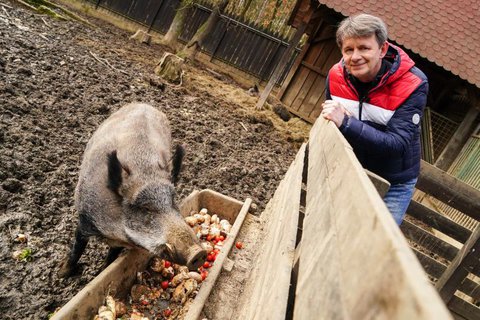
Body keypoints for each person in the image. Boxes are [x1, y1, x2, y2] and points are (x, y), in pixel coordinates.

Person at [320, 13, 428, 225]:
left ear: (382, 49)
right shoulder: (335, 76)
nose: (355, 56)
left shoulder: (413, 84)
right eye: (348, 49)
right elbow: (331, 119)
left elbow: (396, 144)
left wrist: (348, 123)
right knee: (334, 227)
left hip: (394, 179)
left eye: (364, 48)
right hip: (351, 166)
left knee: (377, 243)